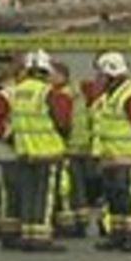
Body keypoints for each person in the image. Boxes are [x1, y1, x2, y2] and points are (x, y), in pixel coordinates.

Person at [9, 49, 72, 252]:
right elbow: (62, 122)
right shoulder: (48, 93)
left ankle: (27, 234)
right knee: (45, 196)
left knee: (28, 194)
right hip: (47, 151)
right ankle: (41, 237)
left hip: (24, 151)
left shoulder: (17, 91)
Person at [91, 51, 131, 253]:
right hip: (110, 157)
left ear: (111, 74)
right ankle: (117, 236)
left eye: (101, 75)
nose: (98, 79)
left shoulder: (130, 95)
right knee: (115, 200)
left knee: (128, 198)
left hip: (126, 157)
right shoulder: (110, 96)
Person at [51, 62, 92, 239]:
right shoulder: (77, 92)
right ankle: (81, 222)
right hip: (81, 145)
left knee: (66, 188)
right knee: (78, 187)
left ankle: (68, 224)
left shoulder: (62, 95)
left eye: (51, 74)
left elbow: (62, 122)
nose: (48, 78)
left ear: (61, 75)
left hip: (67, 147)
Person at [0, 61, 24, 249]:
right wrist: (11, 138)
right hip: (7, 151)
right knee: (9, 194)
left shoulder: (9, 95)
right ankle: (7, 232)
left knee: (10, 194)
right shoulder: (6, 96)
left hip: (11, 152)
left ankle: (8, 229)